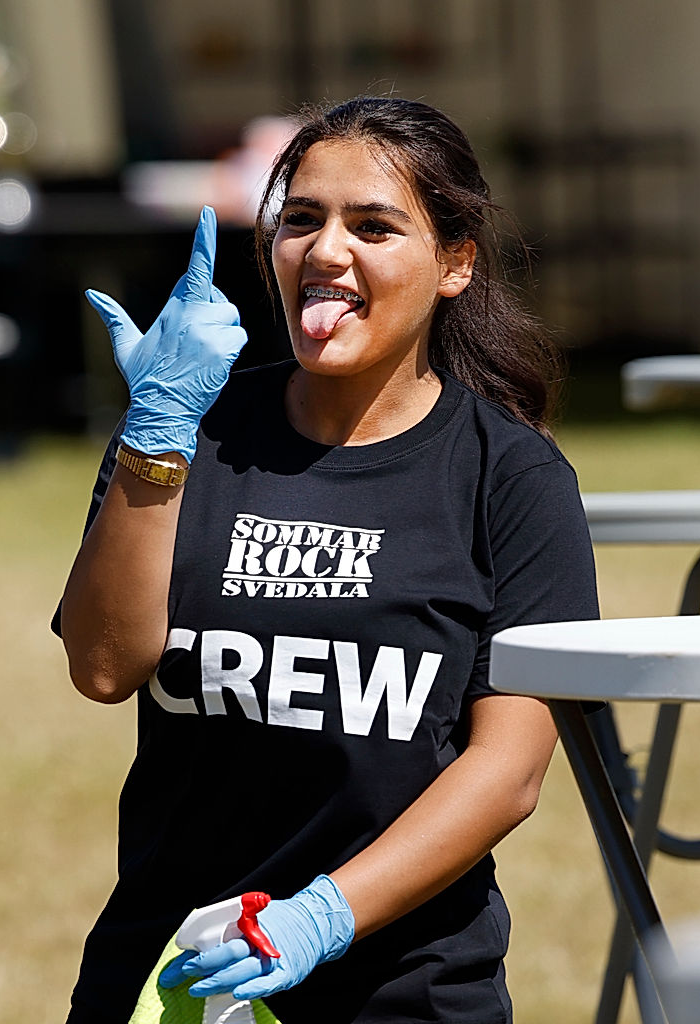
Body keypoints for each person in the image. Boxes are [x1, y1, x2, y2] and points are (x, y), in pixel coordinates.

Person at [53, 96, 599, 1024]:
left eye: (374, 226)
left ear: (456, 264)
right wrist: (157, 439)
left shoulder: (511, 477)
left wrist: (322, 918)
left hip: (399, 987)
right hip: (176, 976)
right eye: (300, 220)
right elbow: (105, 668)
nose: (326, 251)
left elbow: (507, 771)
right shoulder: (188, 429)